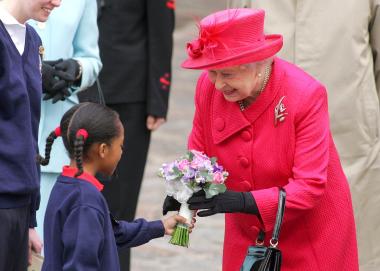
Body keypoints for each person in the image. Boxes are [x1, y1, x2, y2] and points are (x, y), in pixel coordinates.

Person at [163, 8, 359, 270]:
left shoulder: (305, 95)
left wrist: (244, 201)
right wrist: (186, 193)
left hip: (309, 235)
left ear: (258, 63)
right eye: (213, 72)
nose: (218, 84)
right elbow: (199, 154)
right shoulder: (208, 88)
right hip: (246, 237)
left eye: (228, 74)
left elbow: (309, 186)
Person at [227, 1, 380, 269]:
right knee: (265, 245)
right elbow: (231, 50)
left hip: (349, 134)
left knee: (354, 248)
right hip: (265, 144)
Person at [38, 102, 191, 270]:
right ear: (103, 150)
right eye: (120, 146)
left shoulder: (66, 185)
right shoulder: (85, 201)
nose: (122, 152)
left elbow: (112, 233)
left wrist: (160, 227)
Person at [81, 0, 175, 269]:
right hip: (78, 92)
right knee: (80, 199)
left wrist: (158, 97)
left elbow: (160, 26)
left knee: (119, 206)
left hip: (128, 94)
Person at [28, 0, 102, 241]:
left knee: (48, 244)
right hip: (10, 131)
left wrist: (75, 70)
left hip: (56, 134)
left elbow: (92, 59)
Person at [0, 0, 60, 269]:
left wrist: (29, 221)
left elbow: (28, 129)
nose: (58, 2)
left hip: (20, 205)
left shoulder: (33, 38)